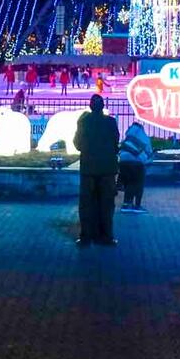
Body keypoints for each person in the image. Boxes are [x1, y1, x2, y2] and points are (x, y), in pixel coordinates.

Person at [74, 94, 121, 245]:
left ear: (90, 106)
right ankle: (106, 236)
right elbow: (116, 142)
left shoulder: (84, 122)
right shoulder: (111, 122)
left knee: (87, 204)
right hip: (107, 169)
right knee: (106, 204)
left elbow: (78, 144)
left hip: (88, 169)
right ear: (103, 107)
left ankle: (86, 236)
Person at [118, 121, 153, 213]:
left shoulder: (127, 138)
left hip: (123, 162)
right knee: (138, 184)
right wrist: (149, 160)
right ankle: (137, 206)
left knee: (128, 183)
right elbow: (149, 151)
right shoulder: (143, 137)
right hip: (137, 163)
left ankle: (126, 205)